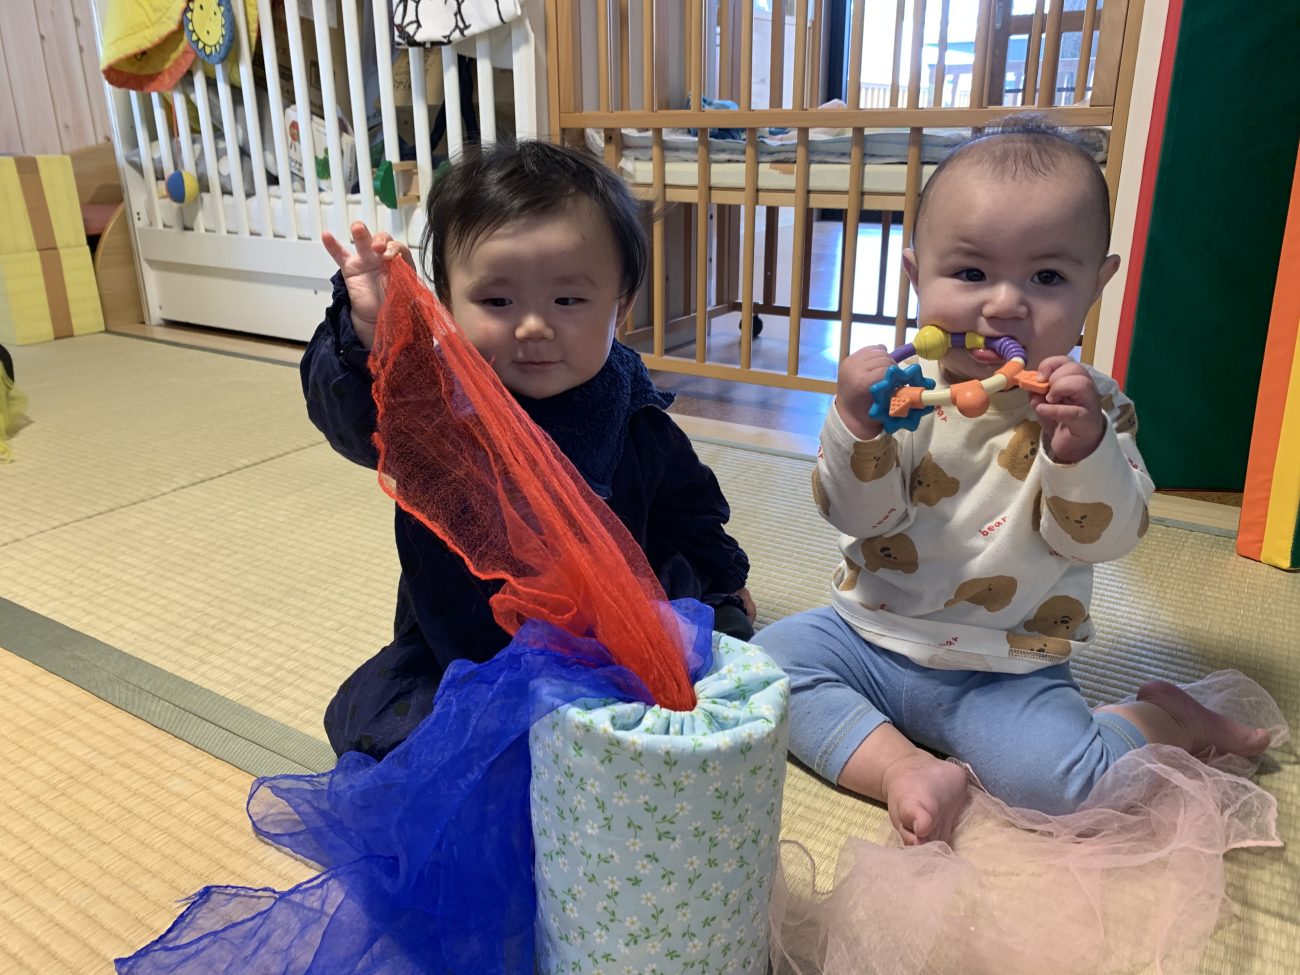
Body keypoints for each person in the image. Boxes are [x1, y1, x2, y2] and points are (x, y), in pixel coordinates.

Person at [757, 115, 1270, 846]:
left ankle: (1166, 718)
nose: (1002, 304)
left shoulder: (1091, 408)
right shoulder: (903, 395)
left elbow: (1102, 539)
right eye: (970, 274)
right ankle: (902, 767)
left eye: (1047, 277)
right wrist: (854, 428)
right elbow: (861, 519)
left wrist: (1081, 451)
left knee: (1066, 792)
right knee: (761, 670)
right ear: (916, 277)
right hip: (866, 634)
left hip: (1005, 666)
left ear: (1096, 285)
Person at [302, 140, 756, 759]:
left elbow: (687, 507)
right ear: (446, 305)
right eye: (497, 301)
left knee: (705, 675)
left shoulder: (628, 404)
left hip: (617, 636)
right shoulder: (438, 400)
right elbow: (358, 422)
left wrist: (724, 586)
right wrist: (372, 333)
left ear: (620, 307)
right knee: (412, 743)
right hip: (469, 648)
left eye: (568, 300)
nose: (535, 327)